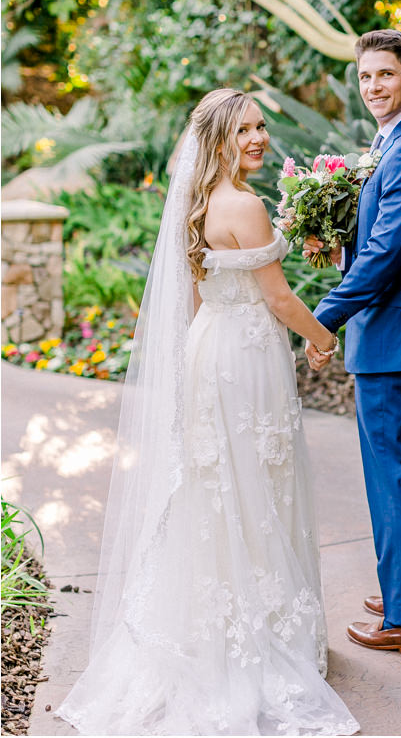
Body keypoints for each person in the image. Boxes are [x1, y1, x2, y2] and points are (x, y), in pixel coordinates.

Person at [55, 89, 359, 734]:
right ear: (217, 138)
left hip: (209, 350)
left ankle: (219, 616)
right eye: (243, 129)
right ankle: (262, 626)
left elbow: (194, 296)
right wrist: (323, 336)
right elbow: (277, 298)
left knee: (217, 484)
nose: (258, 137)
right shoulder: (245, 204)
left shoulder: (194, 204)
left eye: (260, 126)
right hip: (247, 356)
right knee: (256, 483)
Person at [303, 29, 401, 657]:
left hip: (397, 334)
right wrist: (338, 246)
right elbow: (387, 238)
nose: (374, 87)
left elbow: (387, 256)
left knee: (394, 474)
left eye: (386, 75)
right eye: (366, 76)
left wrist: (324, 319)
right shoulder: (397, 139)